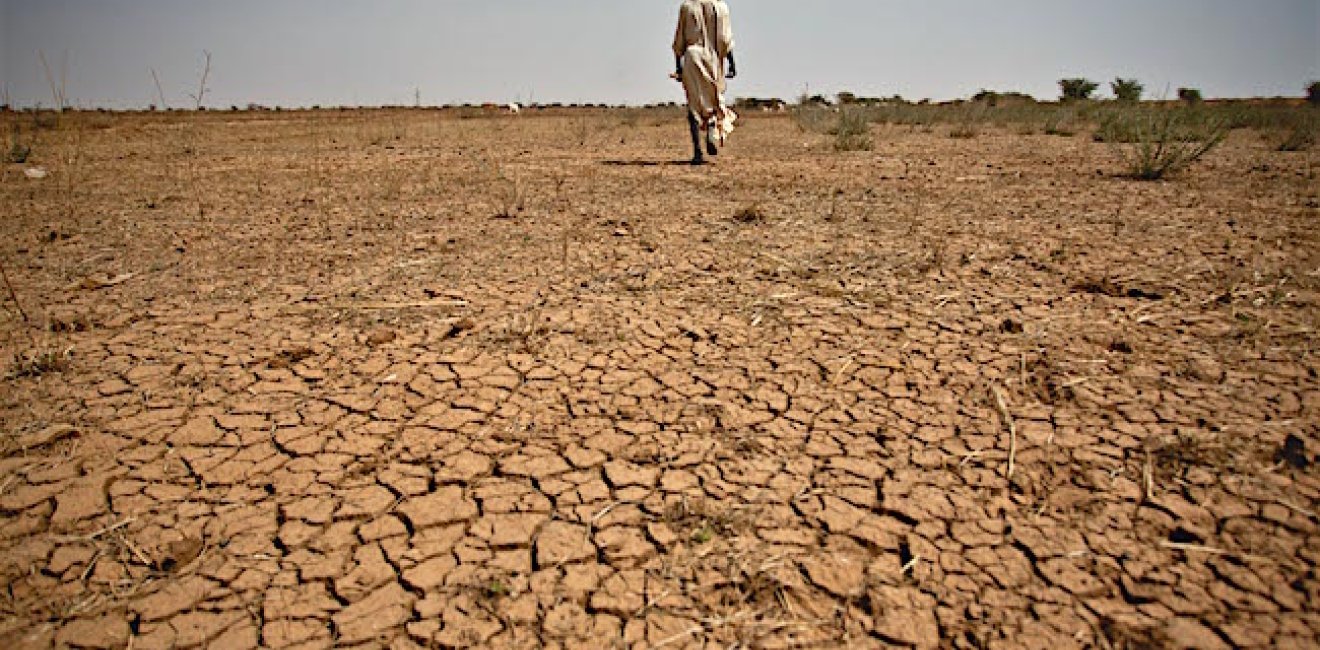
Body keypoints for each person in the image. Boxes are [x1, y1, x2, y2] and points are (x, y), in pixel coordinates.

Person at [672, 0, 737, 165]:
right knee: (714, 100)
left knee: (694, 105)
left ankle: (697, 152)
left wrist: (678, 66)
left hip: (692, 57)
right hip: (713, 58)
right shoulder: (721, 7)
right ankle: (711, 131)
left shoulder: (687, 6)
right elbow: (725, 39)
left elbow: (680, 38)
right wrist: (732, 63)